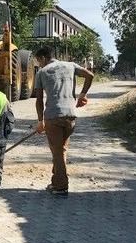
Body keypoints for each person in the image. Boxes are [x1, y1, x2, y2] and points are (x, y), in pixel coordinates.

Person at [33, 46, 94, 197]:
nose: (39, 64)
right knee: (61, 150)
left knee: (57, 152)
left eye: (38, 61)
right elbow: (90, 75)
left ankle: (61, 187)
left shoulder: (41, 72)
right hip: (71, 116)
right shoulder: (71, 65)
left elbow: (39, 100)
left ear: (43, 58)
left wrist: (40, 121)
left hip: (53, 117)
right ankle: (56, 181)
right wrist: (82, 95)